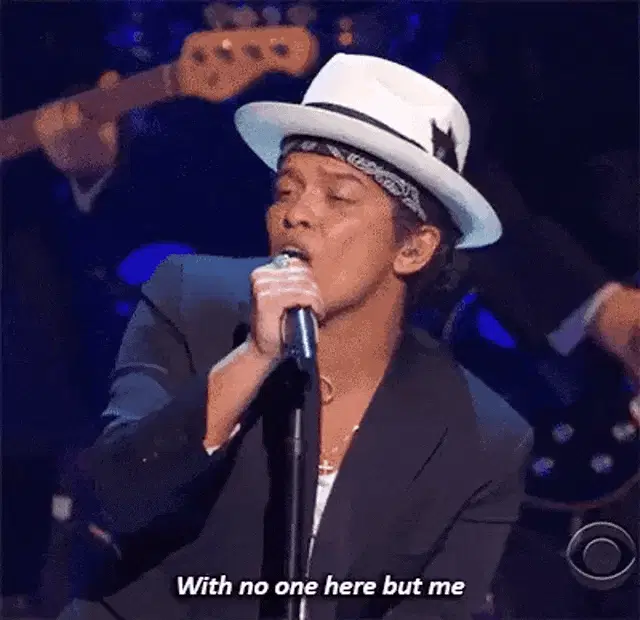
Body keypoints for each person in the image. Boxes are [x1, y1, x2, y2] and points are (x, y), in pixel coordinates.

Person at [56, 53, 533, 620]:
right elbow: (114, 497)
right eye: (286, 189)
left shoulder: (485, 436)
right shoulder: (190, 299)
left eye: (338, 196)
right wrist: (253, 358)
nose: (296, 214)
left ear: (413, 247)